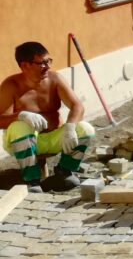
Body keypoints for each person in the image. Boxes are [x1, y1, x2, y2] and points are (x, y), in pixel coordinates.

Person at [0, 42, 95, 193]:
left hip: (53, 138)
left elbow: (77, 106)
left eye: (48, 61)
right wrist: (21, 115)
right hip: (24, 143)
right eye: (42, 63)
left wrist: (70, 127)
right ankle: (32, 181)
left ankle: (64, 172)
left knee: (85, 129)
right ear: (25, 66)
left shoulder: (55, 79)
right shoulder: (10, 85)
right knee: (19, 126)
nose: (48, 66)